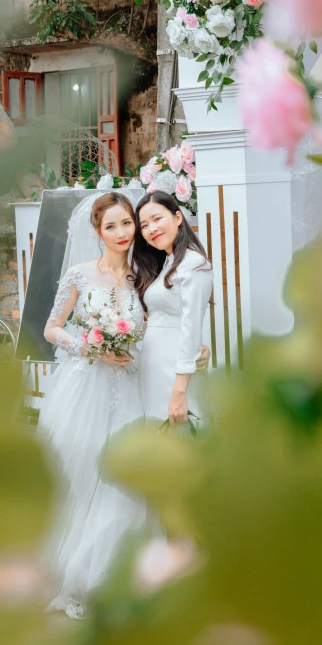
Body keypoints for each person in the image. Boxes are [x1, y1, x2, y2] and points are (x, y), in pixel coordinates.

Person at [40, 191, 149, 619]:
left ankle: (112, 573)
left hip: (132, 385)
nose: (122, 233)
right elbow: (52, 328)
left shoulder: (145, 275)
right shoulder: (80, 275)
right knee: (83, 471)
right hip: (87, 386)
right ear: (98, 232)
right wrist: (89, 345)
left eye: (127, 223)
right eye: (112, 226)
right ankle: (71, 573)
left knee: (122, 480)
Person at [133, 191, 213, 425]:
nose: (151, 229)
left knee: (182, 434)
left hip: (176, 368)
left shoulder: (195, 264)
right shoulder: (165, 263)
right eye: (144, 225)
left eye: (157, 219)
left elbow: (191, 326)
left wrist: (179, 392)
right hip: (154, 364)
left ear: (178, 218)